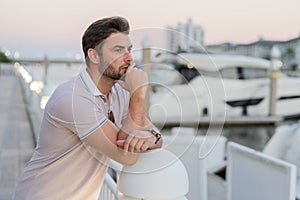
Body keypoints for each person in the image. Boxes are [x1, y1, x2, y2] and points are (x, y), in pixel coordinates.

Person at [13, 16, 162, 200]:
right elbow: (125, 157)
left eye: (129, 50)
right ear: (94, 56)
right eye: (118, 50)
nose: (129, 58)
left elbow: (153, 133)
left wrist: (152, 137)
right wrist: (138, 94)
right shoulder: (73, 98)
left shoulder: (120, 93)